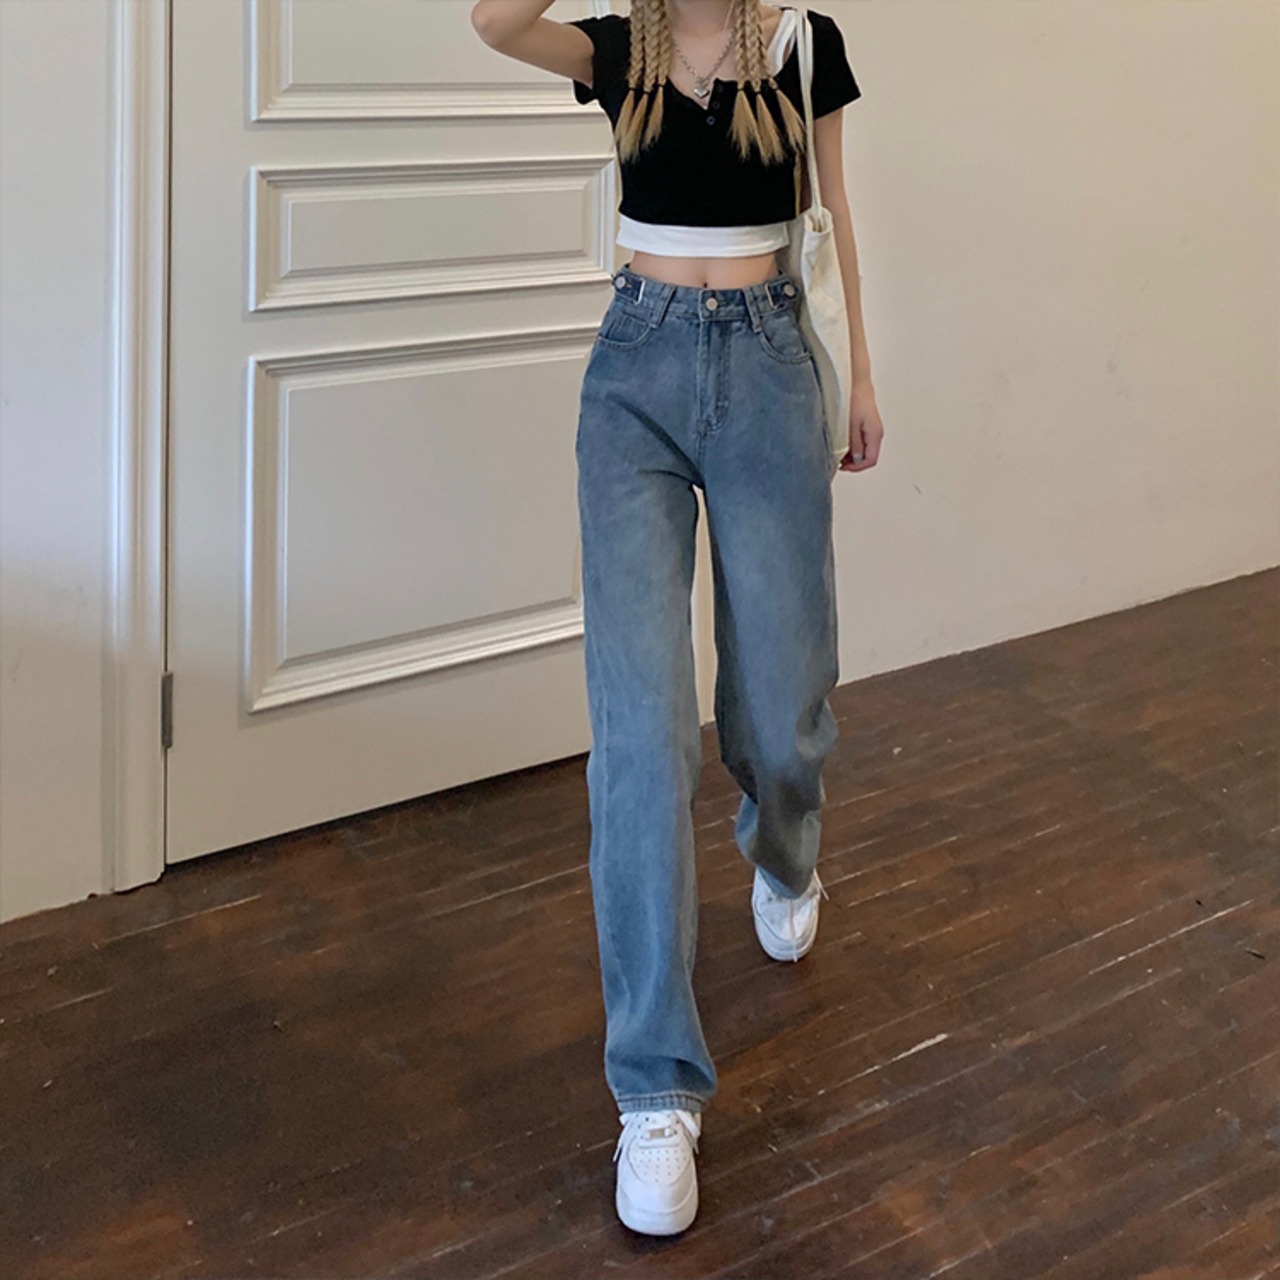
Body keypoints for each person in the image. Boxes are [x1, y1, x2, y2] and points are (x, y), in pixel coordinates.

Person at [471, 0, 884, 1236]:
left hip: (768, 368)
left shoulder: (800, 43)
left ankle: (784, 842)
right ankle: (653, 1088)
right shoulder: (617, 48)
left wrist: (860, 375)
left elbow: (833, 212)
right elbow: (493, 22)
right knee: (639, 736)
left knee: (783, 701)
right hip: (634, 377)